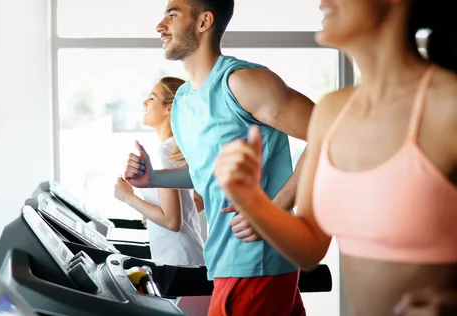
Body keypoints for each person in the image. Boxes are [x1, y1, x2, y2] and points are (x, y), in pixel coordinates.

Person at [213, 0, 457, 315]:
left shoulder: (448, 105)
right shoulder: (331, 111)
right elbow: (310, 248)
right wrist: (250, 199)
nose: (323, 1)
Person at [123, 0, 315, 314]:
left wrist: (275, 209)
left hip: (256, 262)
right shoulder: (185, 101)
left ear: (203, 22)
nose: (160, 26)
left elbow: (330, 133)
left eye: (172, 15)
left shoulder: (242, 82)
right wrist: (154, 179)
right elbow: (204, 172)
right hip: (223, 261)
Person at [114, 77, 205, 266]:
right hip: (190, 255)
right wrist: (154, 216)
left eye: (152, 98)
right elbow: (196, 202)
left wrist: (128, 197)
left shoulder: (165, 153)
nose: (144, 103)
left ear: (169, 108)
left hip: (180, 263)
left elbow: (172, 221)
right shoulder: (180, 149)